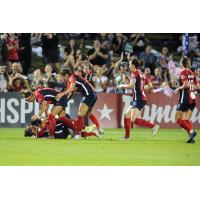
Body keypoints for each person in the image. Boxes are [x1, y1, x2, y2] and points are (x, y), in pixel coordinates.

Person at [118, 58, 159, 140]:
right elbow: (150, 86)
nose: (129, 66)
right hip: (138, 99)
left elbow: (131, 86)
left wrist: (121, 86)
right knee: (126, 115)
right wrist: (142, 89)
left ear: (133, 65)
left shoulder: (134, 73)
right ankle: (127, 137)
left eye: (129, 65)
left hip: (139, 99)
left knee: (133, 119)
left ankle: (153, 126)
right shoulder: (141, 73)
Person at [56, 68, 104, 139]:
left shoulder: (72, 78)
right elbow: (72, 92)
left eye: (63, 76)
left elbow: (72, 89)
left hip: (88, 94)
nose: (63, 78)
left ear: (66, 75)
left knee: (80, 114)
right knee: (88, 113)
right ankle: (99, 129)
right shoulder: (74, 78)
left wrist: (61, 94)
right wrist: (65, 102)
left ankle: (78, 134)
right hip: (92, 94)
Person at [174, 57, 198, 143]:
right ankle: (192, 138)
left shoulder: (183, 72)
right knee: (185, 119)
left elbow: (186, 85)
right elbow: (198, 87)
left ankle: (192, 132)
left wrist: (178, 88)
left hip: (185, 98)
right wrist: (191, 88)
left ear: (181, 63)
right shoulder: (192, 73)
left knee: (177, 118)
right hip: (193, 98)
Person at [25, 115, 102, 139]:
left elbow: (52, 118)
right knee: (77, 133)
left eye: (33, 126)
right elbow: (40, 132)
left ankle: (92, 130)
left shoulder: (40, 128)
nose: (34, 127)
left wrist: (46, 119)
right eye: (32, 127)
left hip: (63, 125)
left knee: (77, 131)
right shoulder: (39, 132)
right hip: (62, 129)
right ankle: (93, 132)